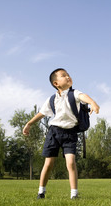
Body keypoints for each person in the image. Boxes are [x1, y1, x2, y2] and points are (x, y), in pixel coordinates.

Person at [22, 68, 100, 199]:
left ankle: (74, 194)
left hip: (70, 133)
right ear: (56, 83)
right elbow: (41, 113)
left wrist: (92, 102)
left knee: (71, 163)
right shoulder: (52, 99)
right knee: (48, 163)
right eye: (64, 76)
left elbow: (83, 97)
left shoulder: (74, 94)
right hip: (54, 132)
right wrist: (29, 123)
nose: (68, 77)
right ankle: (41, 192)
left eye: (68, 75)